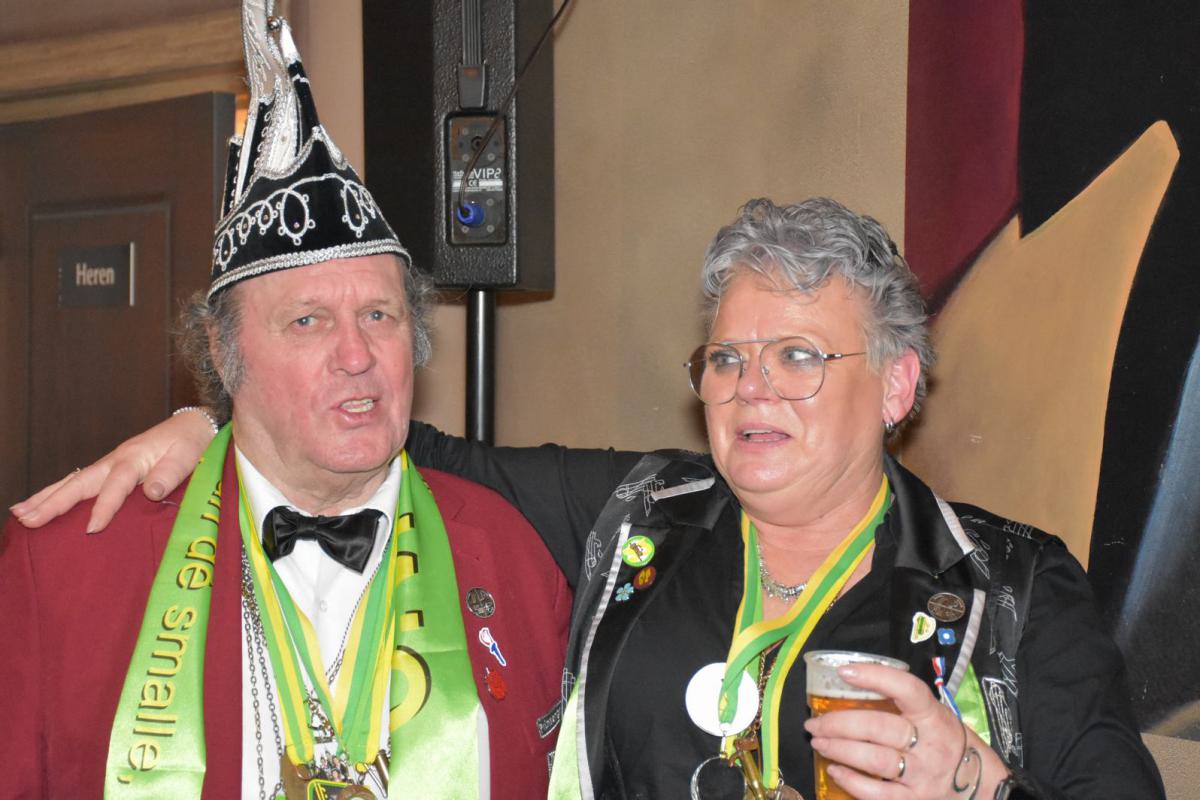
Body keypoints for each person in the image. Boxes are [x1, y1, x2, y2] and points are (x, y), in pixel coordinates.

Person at [14, 199, 1164, 800]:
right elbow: (375, 433)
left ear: (900, 384)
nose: (752, 386)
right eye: (727, 357)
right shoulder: (636, 516)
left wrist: (973, 781)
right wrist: (209, 419)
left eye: (800, 356)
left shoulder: (1010, 586)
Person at [0, 4, 568, 799]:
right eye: (308, 321)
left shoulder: (512, 554)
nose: (357, 355)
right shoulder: (71, 565)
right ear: (223, 352)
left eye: (381, 316)